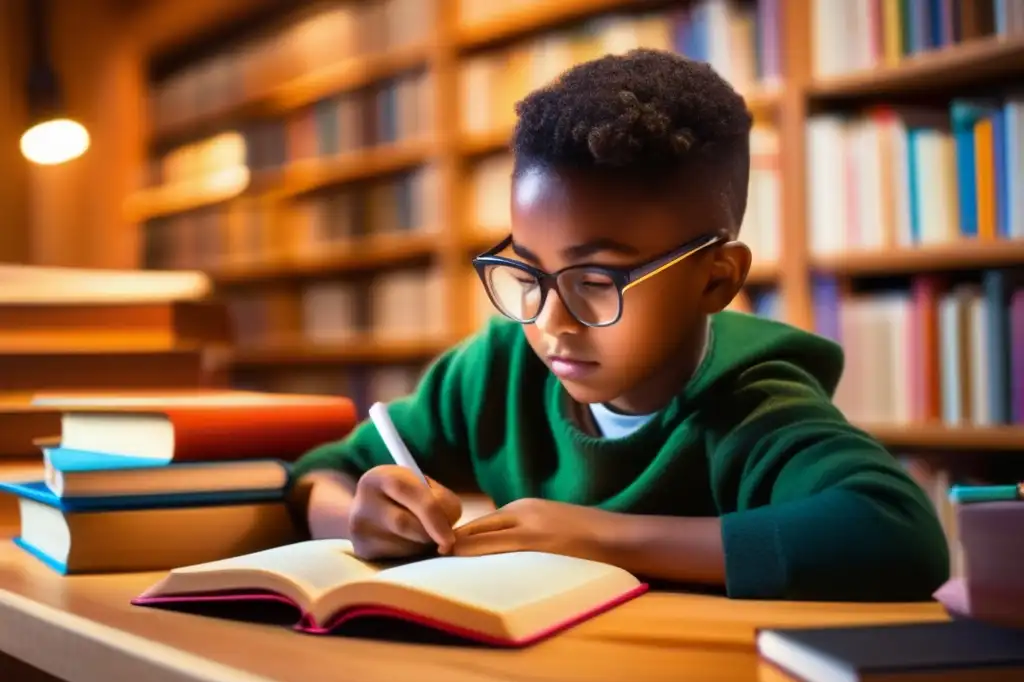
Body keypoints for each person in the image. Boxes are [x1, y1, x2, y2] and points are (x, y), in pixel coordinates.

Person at [288, 49, 950, 601]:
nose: (550, 323)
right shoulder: (496, 372)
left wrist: (594, 537)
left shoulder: (752, 407)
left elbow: (898, 532)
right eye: (528, 274)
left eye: (596, 282)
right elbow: (323, 470)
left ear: (715, 279)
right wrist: (358, 513)